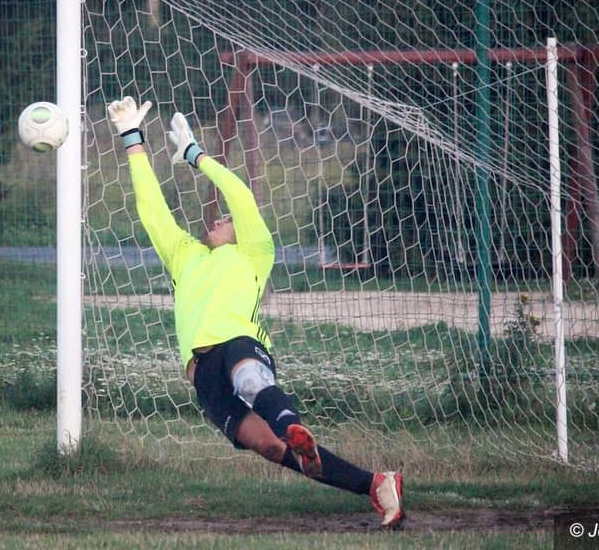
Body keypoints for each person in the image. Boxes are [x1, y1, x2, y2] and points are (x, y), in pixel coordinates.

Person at [107, 96, 404, 529]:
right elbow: (151, 210)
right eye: (218, 219)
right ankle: (377, 485)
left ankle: (293, 425)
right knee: (269, 447)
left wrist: (195, 155)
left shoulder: (254, 253)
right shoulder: (184, 256)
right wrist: (131, 139)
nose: (218, 220)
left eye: (226, 220)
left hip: (240, 345)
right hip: (203, 373)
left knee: (250, 380)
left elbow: (240, 196)